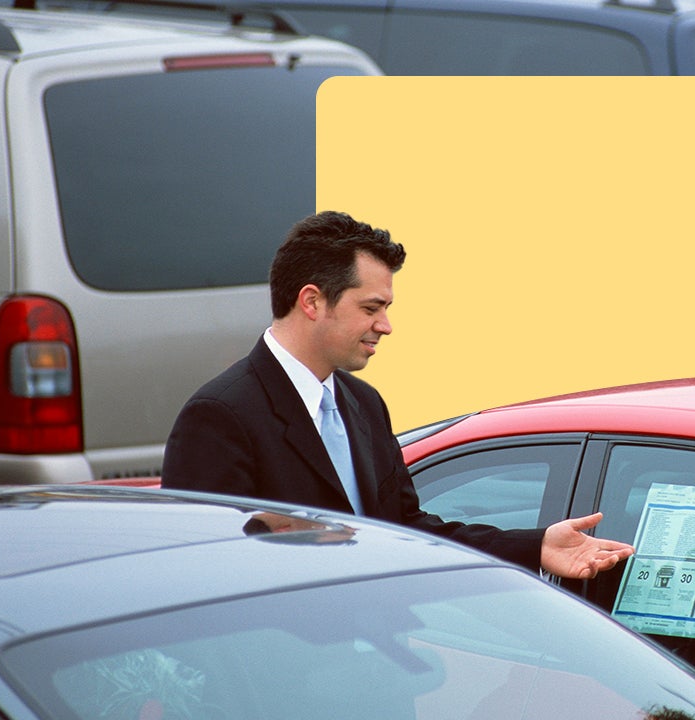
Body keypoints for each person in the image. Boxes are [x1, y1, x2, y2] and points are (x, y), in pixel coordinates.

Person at [164, 210, 633, 579]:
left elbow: (404, 530)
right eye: (371, 308)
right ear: (311, 301)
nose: (385, 326)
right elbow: (203, 574)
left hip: (376, 671)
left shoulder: (364, 404)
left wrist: (536, 546)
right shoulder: (220, 417)